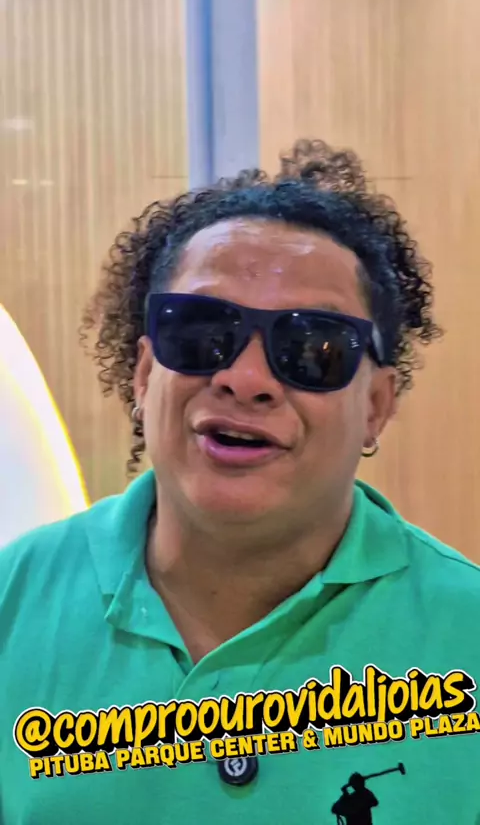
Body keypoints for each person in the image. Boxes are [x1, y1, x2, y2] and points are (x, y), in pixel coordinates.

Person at [1, 139, 479, 825]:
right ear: (144, 375)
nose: (246, 379)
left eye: (312, 347)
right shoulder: (13, 604)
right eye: (201, 332)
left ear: (376, 405)